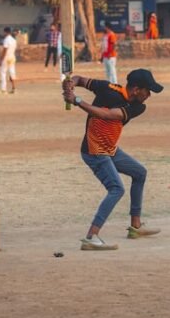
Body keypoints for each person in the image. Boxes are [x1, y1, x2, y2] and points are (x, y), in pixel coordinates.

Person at [62, 68, 164, 251]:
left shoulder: (137, 107)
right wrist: (70, 83)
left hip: (109, 150)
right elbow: (79, 79)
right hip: (94, 151)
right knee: (116, 189)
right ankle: (91, 237)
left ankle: (136, 226)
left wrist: (76, 100)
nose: (149, 95)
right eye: (147, 90)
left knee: (140, 173)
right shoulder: (107, 88)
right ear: (135, 90)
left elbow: (107, 114)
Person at [0, 27, 17, 94]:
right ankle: (14, 88)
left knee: (3, 72)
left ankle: (3, 89)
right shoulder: (13, 40)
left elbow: (4, 50)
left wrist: (1, 59)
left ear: (5, 32)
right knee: (12, 72)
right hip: (12, 57)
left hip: (6, 58)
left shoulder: (6, 40)